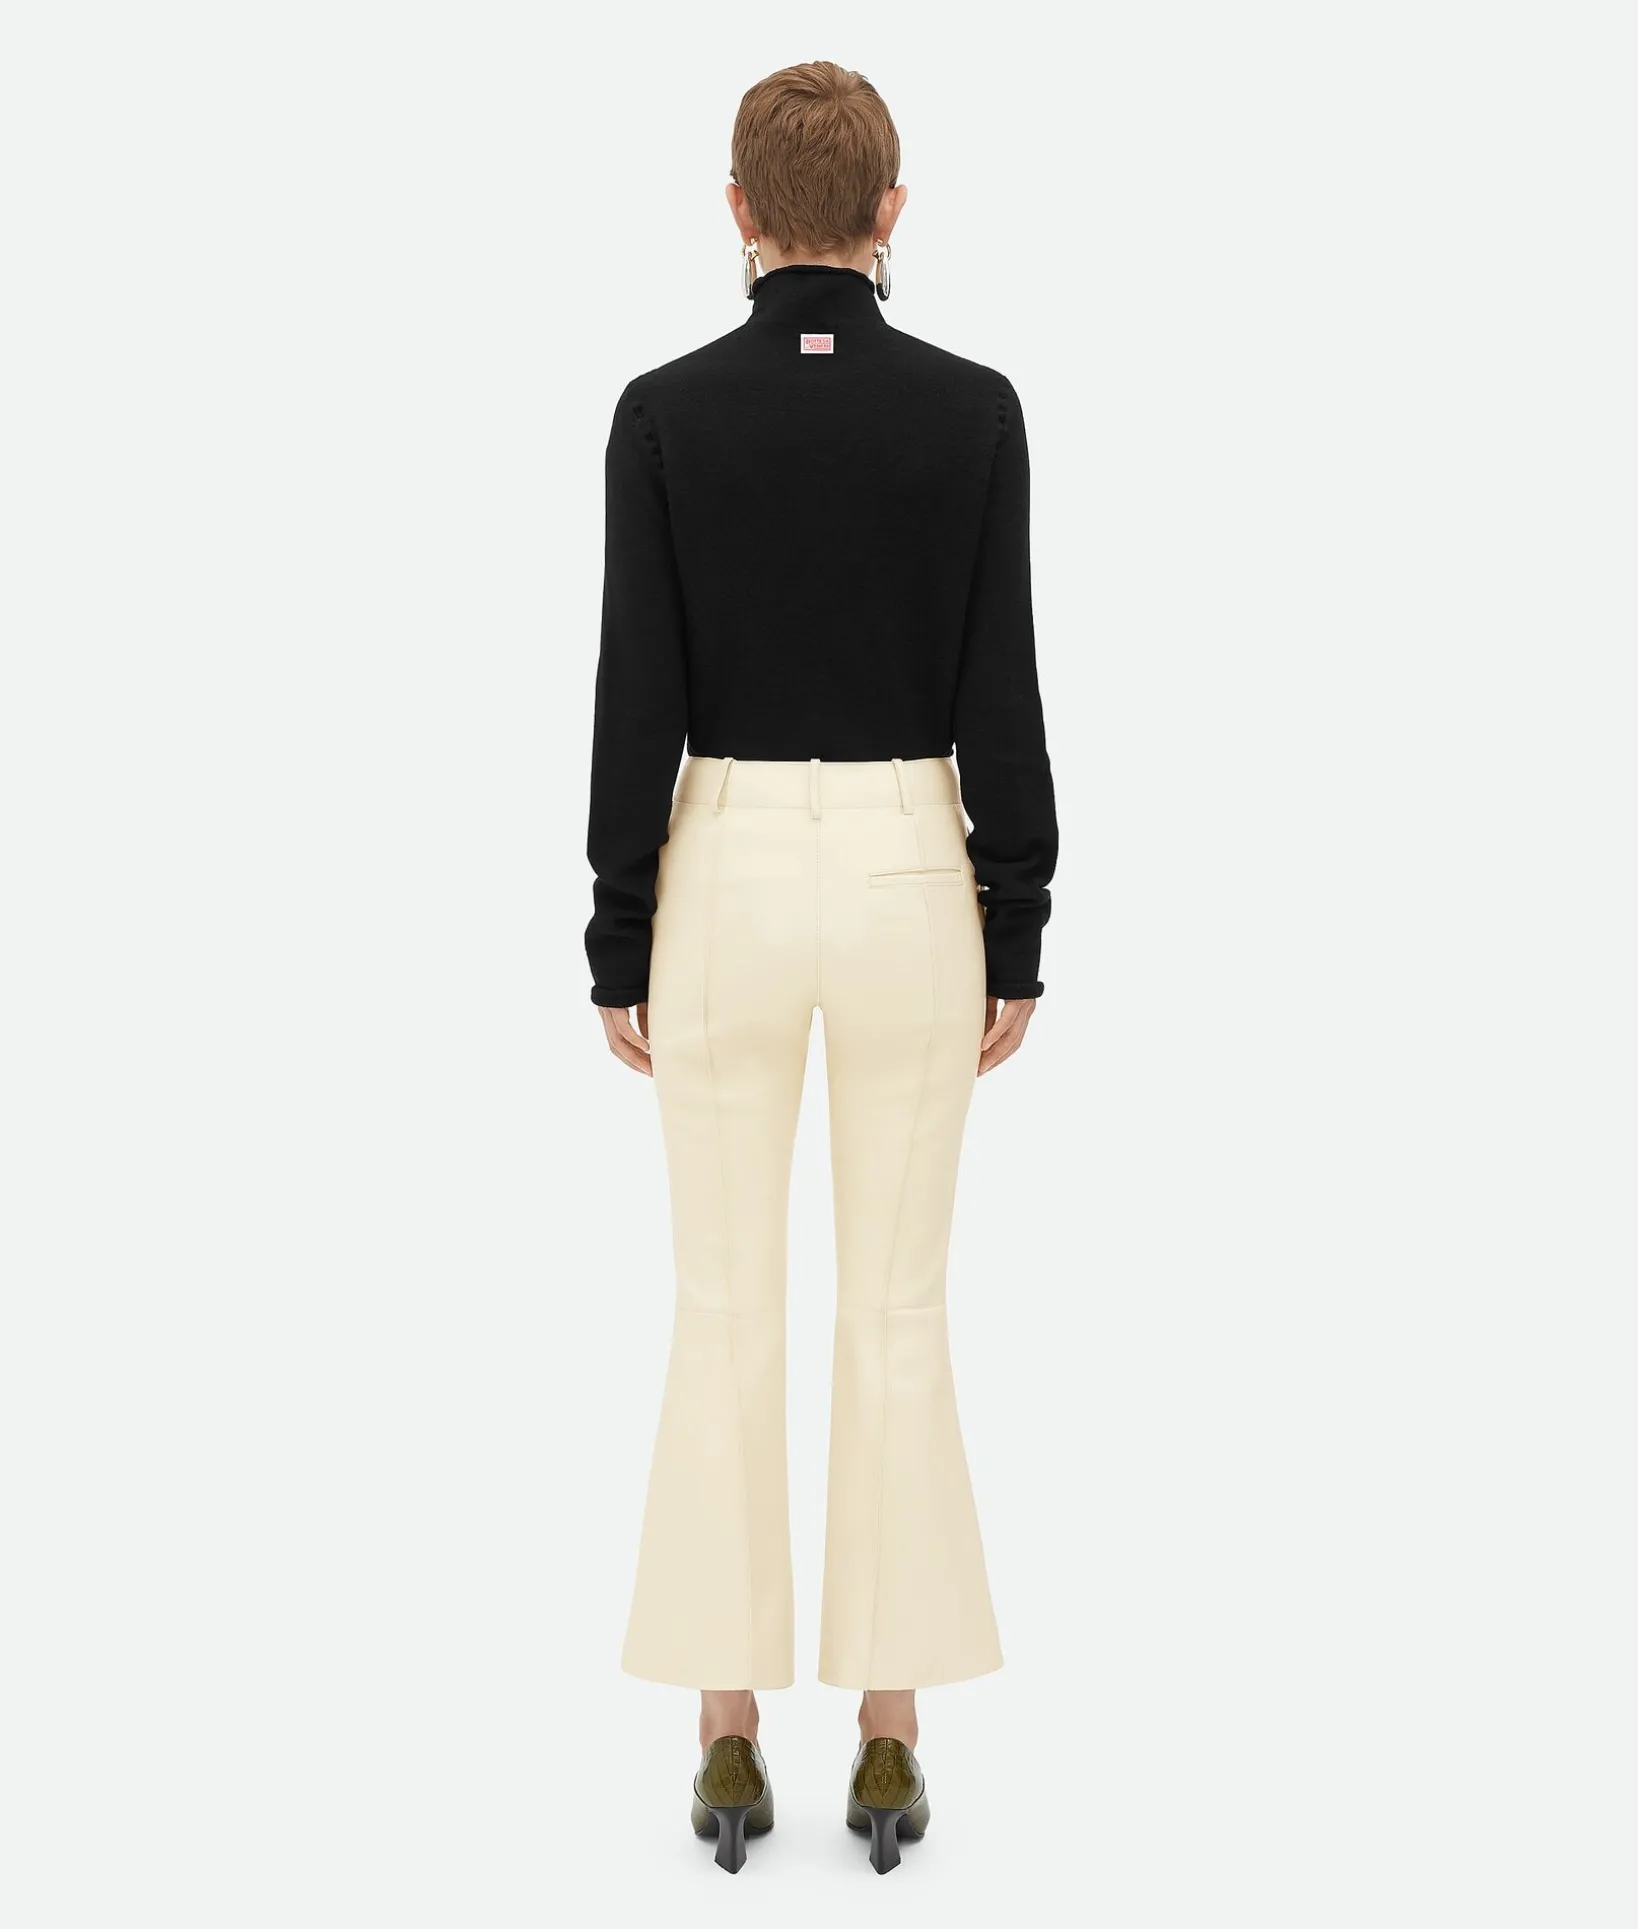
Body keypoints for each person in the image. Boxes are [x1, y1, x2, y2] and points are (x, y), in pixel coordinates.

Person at [584, 60, 1057, 1876]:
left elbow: (638, 686)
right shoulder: (972, 413)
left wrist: (619, 922)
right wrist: (1013, 914)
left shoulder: (662, 417)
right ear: (888, 213)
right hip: (906, 868)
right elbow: (997, 681)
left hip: (716, 864)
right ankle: (886, 1731)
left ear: (734, 213)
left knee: (721, 1302)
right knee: (898, 1308)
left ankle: (724, 1730)